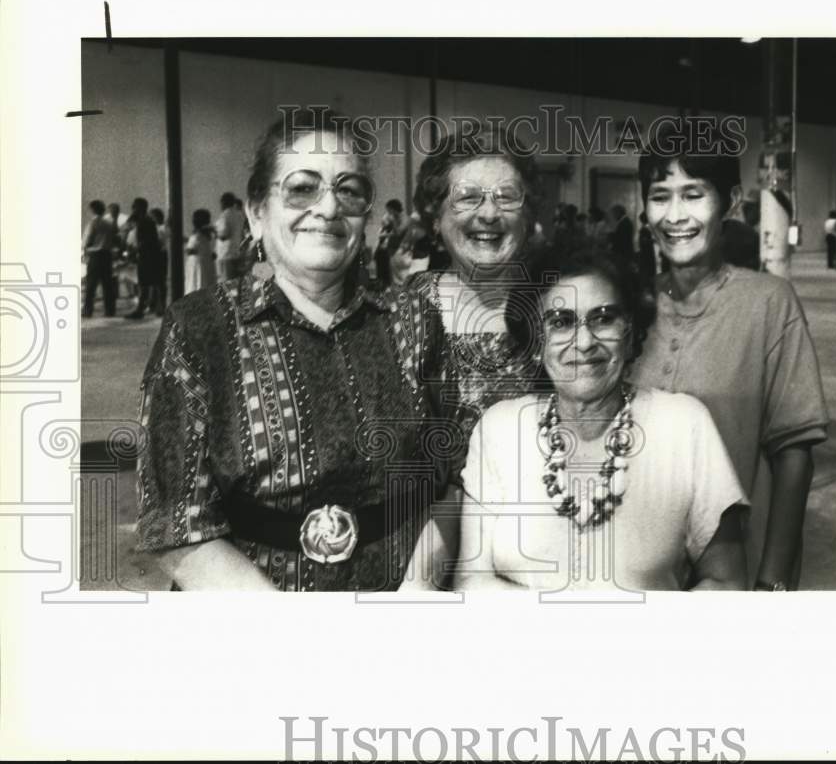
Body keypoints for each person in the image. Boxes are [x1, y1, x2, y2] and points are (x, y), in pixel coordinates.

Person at [135, 109, 441, 591]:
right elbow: (179, 525)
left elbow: (444, 482)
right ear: (257, 212)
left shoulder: (413, 320)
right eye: (302, 188)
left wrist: (417, 593)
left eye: (349, 190)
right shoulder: (199, 328)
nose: (328, 208)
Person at [452, 246, 748, 591]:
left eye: (603, 318)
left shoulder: (684, 424)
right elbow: (471, 579)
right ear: (536, 339)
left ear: (630, 330)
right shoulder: (499, 429)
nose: (584, 342)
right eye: (560, 322)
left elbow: (726, 582)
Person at [629, 121, 829, 590]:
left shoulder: (768, 303)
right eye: (660, 195)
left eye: (693, 194)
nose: (675, 215)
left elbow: (793, 452)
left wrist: (773, 579)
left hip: (734, 569)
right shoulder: (629, 305)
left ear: (731, 202)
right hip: (641, 568)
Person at [400, 127, 544, 589]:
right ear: (436, 215)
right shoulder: (399, 313)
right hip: (409, 562)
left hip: (525, 564)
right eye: (467, 198)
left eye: (506, 197)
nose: (488, 213)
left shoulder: (556, 312)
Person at [124, 198, 162, 320]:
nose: (132, 209)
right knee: (148, 283)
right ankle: (147, 307)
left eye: (134, 207)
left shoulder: (144, 222)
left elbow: (145, 241)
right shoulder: (147, 221)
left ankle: (141, 308)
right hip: (149, 255)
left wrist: (135, 251)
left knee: (144, 283)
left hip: (146, 256)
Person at [82, 199, 117, 318]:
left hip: (95, 255)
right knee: (107, 284)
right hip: (107, 255)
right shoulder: (109, 224)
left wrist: (85, 250)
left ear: (93, 210)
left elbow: (87, 240)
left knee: (91, 284)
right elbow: (114, 239)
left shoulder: (93, 223)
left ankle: (88, 310)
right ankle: (110, 310)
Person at [184, 208, 217, 294]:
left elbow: (189, 250)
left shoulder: (197, 234)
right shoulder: (208, 233)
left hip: (197, 263)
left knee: (196, 283)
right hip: (207, 261)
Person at [215, 191, 245, 281]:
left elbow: (223, 235)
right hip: (236, 252)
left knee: (226, 283)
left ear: (223, 203)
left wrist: (214, 232)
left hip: (225, 254)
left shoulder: (224, 216)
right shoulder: (239, 215)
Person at [151, 208, 168, 315]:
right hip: (160, 255)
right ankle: (155, 305)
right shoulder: (162, 228)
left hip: (160, 255)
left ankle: (160, 306)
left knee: (159, 282)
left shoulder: (161, 228)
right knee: (157, 281)